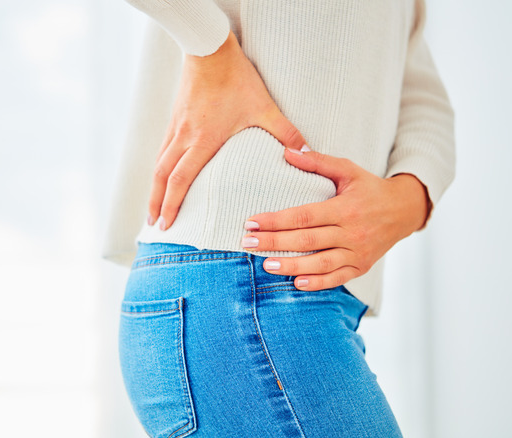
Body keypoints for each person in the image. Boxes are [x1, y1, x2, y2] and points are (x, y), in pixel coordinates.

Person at [104, 0, 455, 436]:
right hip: (245, 281)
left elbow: (420, 88)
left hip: (274, 295)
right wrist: (211, 47)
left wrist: (408, 198)